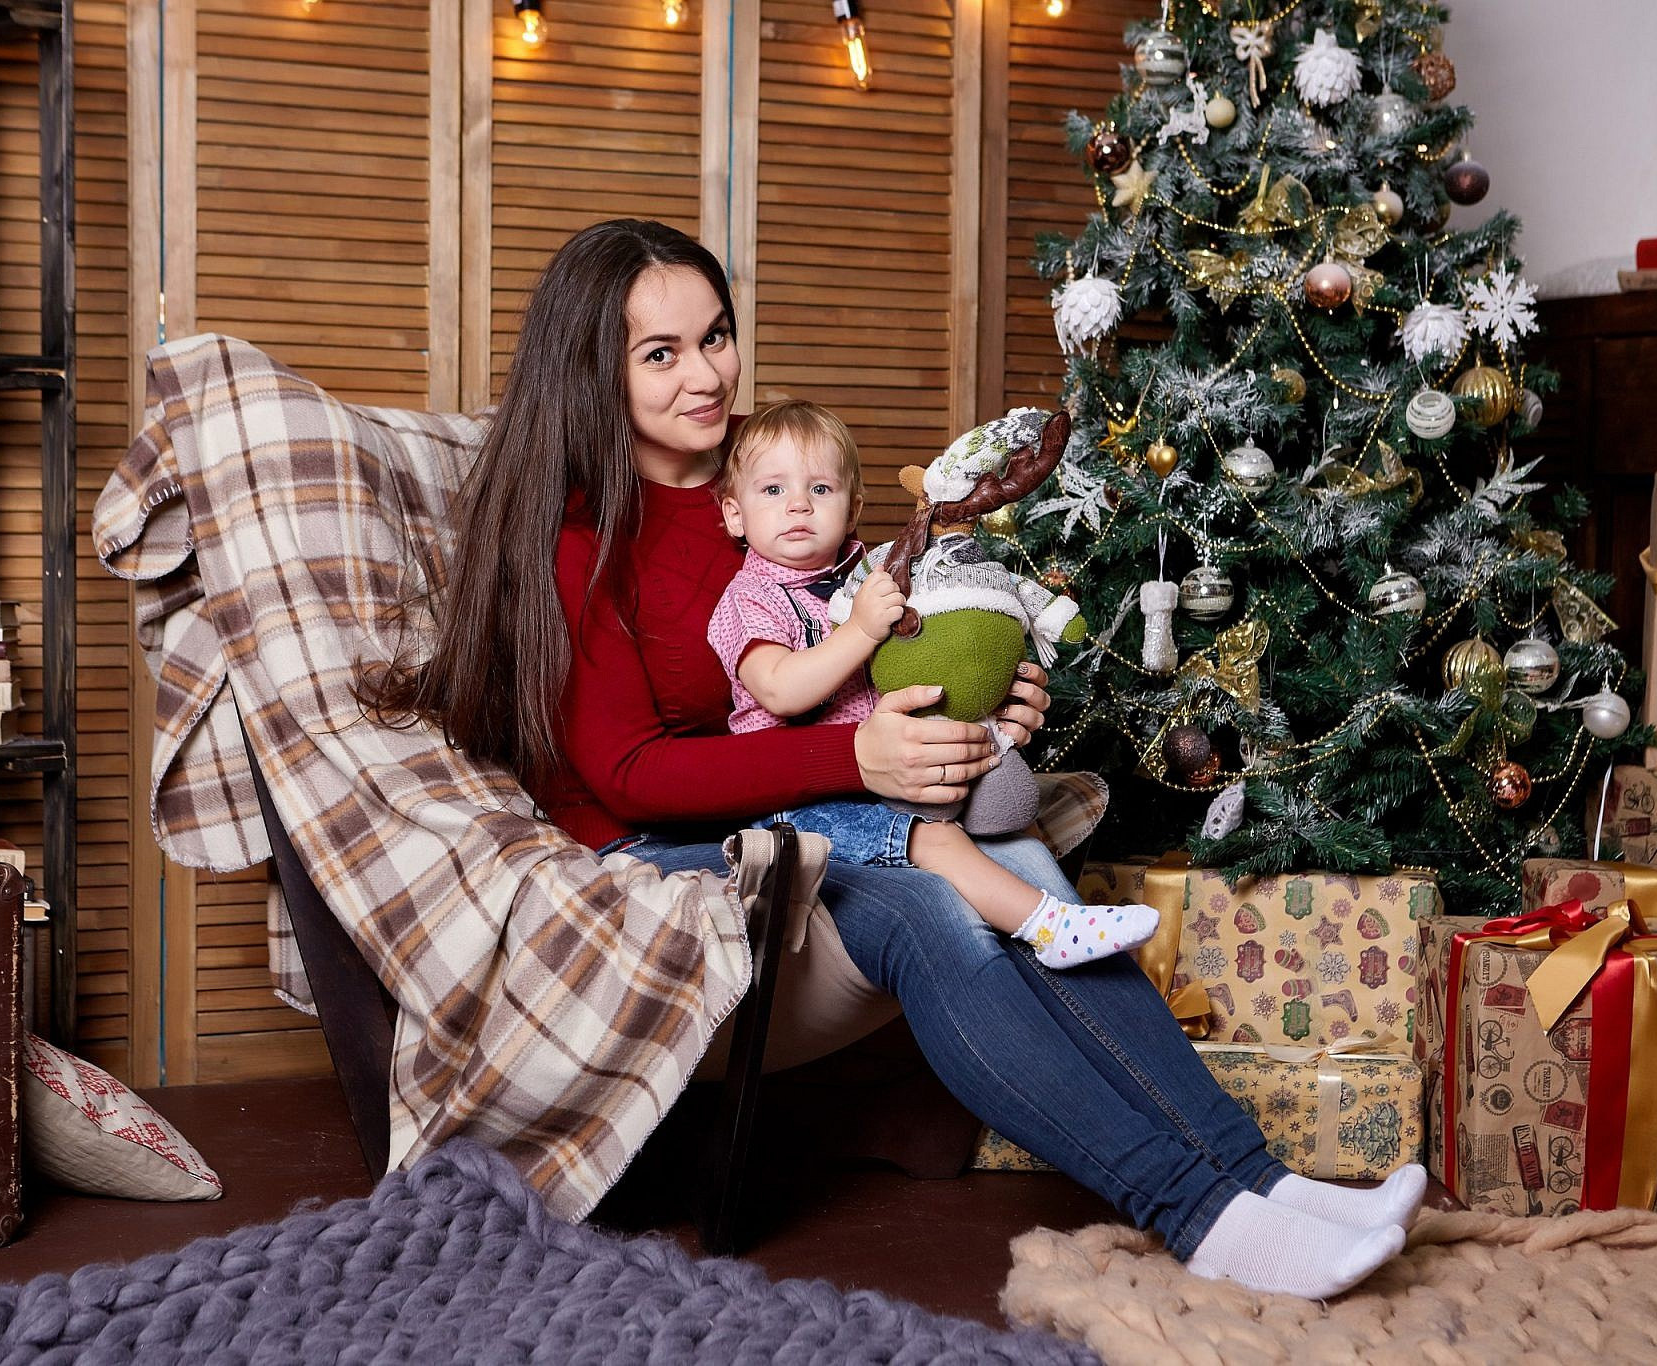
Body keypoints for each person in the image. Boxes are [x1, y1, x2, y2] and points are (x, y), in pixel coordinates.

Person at [378, 217, 1423, 1298]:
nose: (707, 373)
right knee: (927, 909)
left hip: (801, 804)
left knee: (1019, 865)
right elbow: (632, 777)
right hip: (652, 851)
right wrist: (861, 758)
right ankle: (1202, 1216)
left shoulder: (773, 473)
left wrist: (981, 701)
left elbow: (875, 633)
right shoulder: (577, 538)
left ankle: (1259, 1180)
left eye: (717, 336)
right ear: (592, 368)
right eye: (662, 353)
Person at [705, 398, 1161, 970]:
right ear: (734, 515)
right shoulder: (748, 600)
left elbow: (941, 650)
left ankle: (1077, 940)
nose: (798, 504)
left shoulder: (881, 571)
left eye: (820, 489)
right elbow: (780, 689)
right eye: (773, 490)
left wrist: (995, 691)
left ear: (853, 512)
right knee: (929, 836)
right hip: (798, 809)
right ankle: (1050, 926)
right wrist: (864, 630)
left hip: (899, 773)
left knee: (1013, 825)